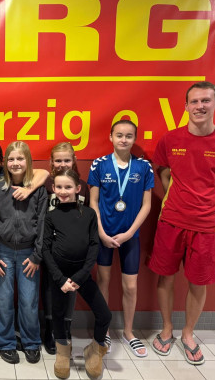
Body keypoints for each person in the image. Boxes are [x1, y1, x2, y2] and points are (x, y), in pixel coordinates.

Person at [148, 81, 215, 365]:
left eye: (206, 100)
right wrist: (178, 200)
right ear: (186, 106)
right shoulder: (170, 139)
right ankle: (167, 329)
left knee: (198, 282)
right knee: (165, 277)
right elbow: (164, 174)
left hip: (206, 227)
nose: (200, 106)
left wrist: (208, 208)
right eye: (194, 101)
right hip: (170, 221)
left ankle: (188, 334)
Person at [0, 138, 48, 355]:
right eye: (12, 159)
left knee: (28, 300)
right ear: (6, 162)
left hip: (28, 254)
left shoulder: (38, 190)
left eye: (20, 158)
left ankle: (31, 342)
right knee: (2, 300)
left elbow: (42, 224)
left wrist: (37, 255)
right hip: (2, 252)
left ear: (28, 161)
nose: (16, 163)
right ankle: (4, 343)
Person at [88, 120, 153, 357]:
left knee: (131, 286)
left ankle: (128, 332)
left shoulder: (144, 167)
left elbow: (147, 205)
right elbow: (93, 202)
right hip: (104, 235)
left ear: (135, 138)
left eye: (128, 136)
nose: (123, 140)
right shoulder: (99, 164)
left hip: (130, 236)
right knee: (103, 282)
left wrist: (129, 233)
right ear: (111, 137)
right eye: (119, 135)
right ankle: (104, 330)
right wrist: (101, 233)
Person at [42, 169, 111, 380]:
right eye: (59, 187)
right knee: (58, 314)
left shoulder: (89, 214)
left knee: (105, 315)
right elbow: (46, 249)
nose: (63, 191)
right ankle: (63, 351)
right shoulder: (51, 216)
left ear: (78, 188)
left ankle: (95, 350)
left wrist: (80, 277)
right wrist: (60, 279)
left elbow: (94, 246)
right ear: (54, 189)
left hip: (82, 275)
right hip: (59, 277)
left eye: (68, 187)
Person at [41, 142, 90, 354]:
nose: (62, 164)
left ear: (74, 161)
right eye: (58, 160)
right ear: (51, 162)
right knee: (50, 287)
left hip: (73, 248)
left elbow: (87, 217)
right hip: (50, 248)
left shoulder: (83, 187)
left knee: (71, 286)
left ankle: (66, 326)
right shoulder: (44, 184)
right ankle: (51, 327)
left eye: (66, 160)